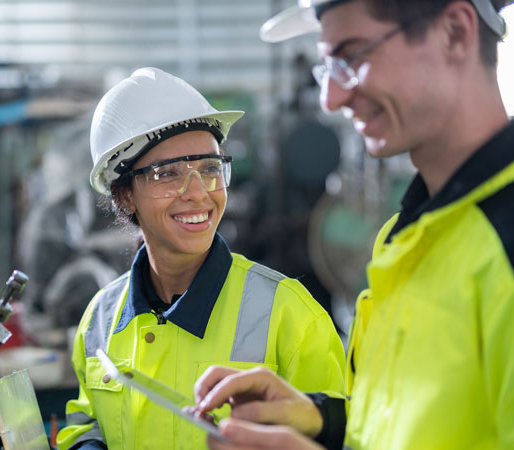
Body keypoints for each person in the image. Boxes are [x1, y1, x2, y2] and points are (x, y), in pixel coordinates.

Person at [194, 0, 514, 449]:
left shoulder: (503, 243)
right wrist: (321, 419)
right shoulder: (404, 235)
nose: (332, 98)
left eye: (353, 56)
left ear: (455, 33)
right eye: (329, 69)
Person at [56, 67, 345, 450]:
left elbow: (337, 436)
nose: (198, 193)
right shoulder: (100, 318)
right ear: (125, 195)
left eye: (210, 168)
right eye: (167, 174)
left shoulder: (290, 314)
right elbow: (86, 422)